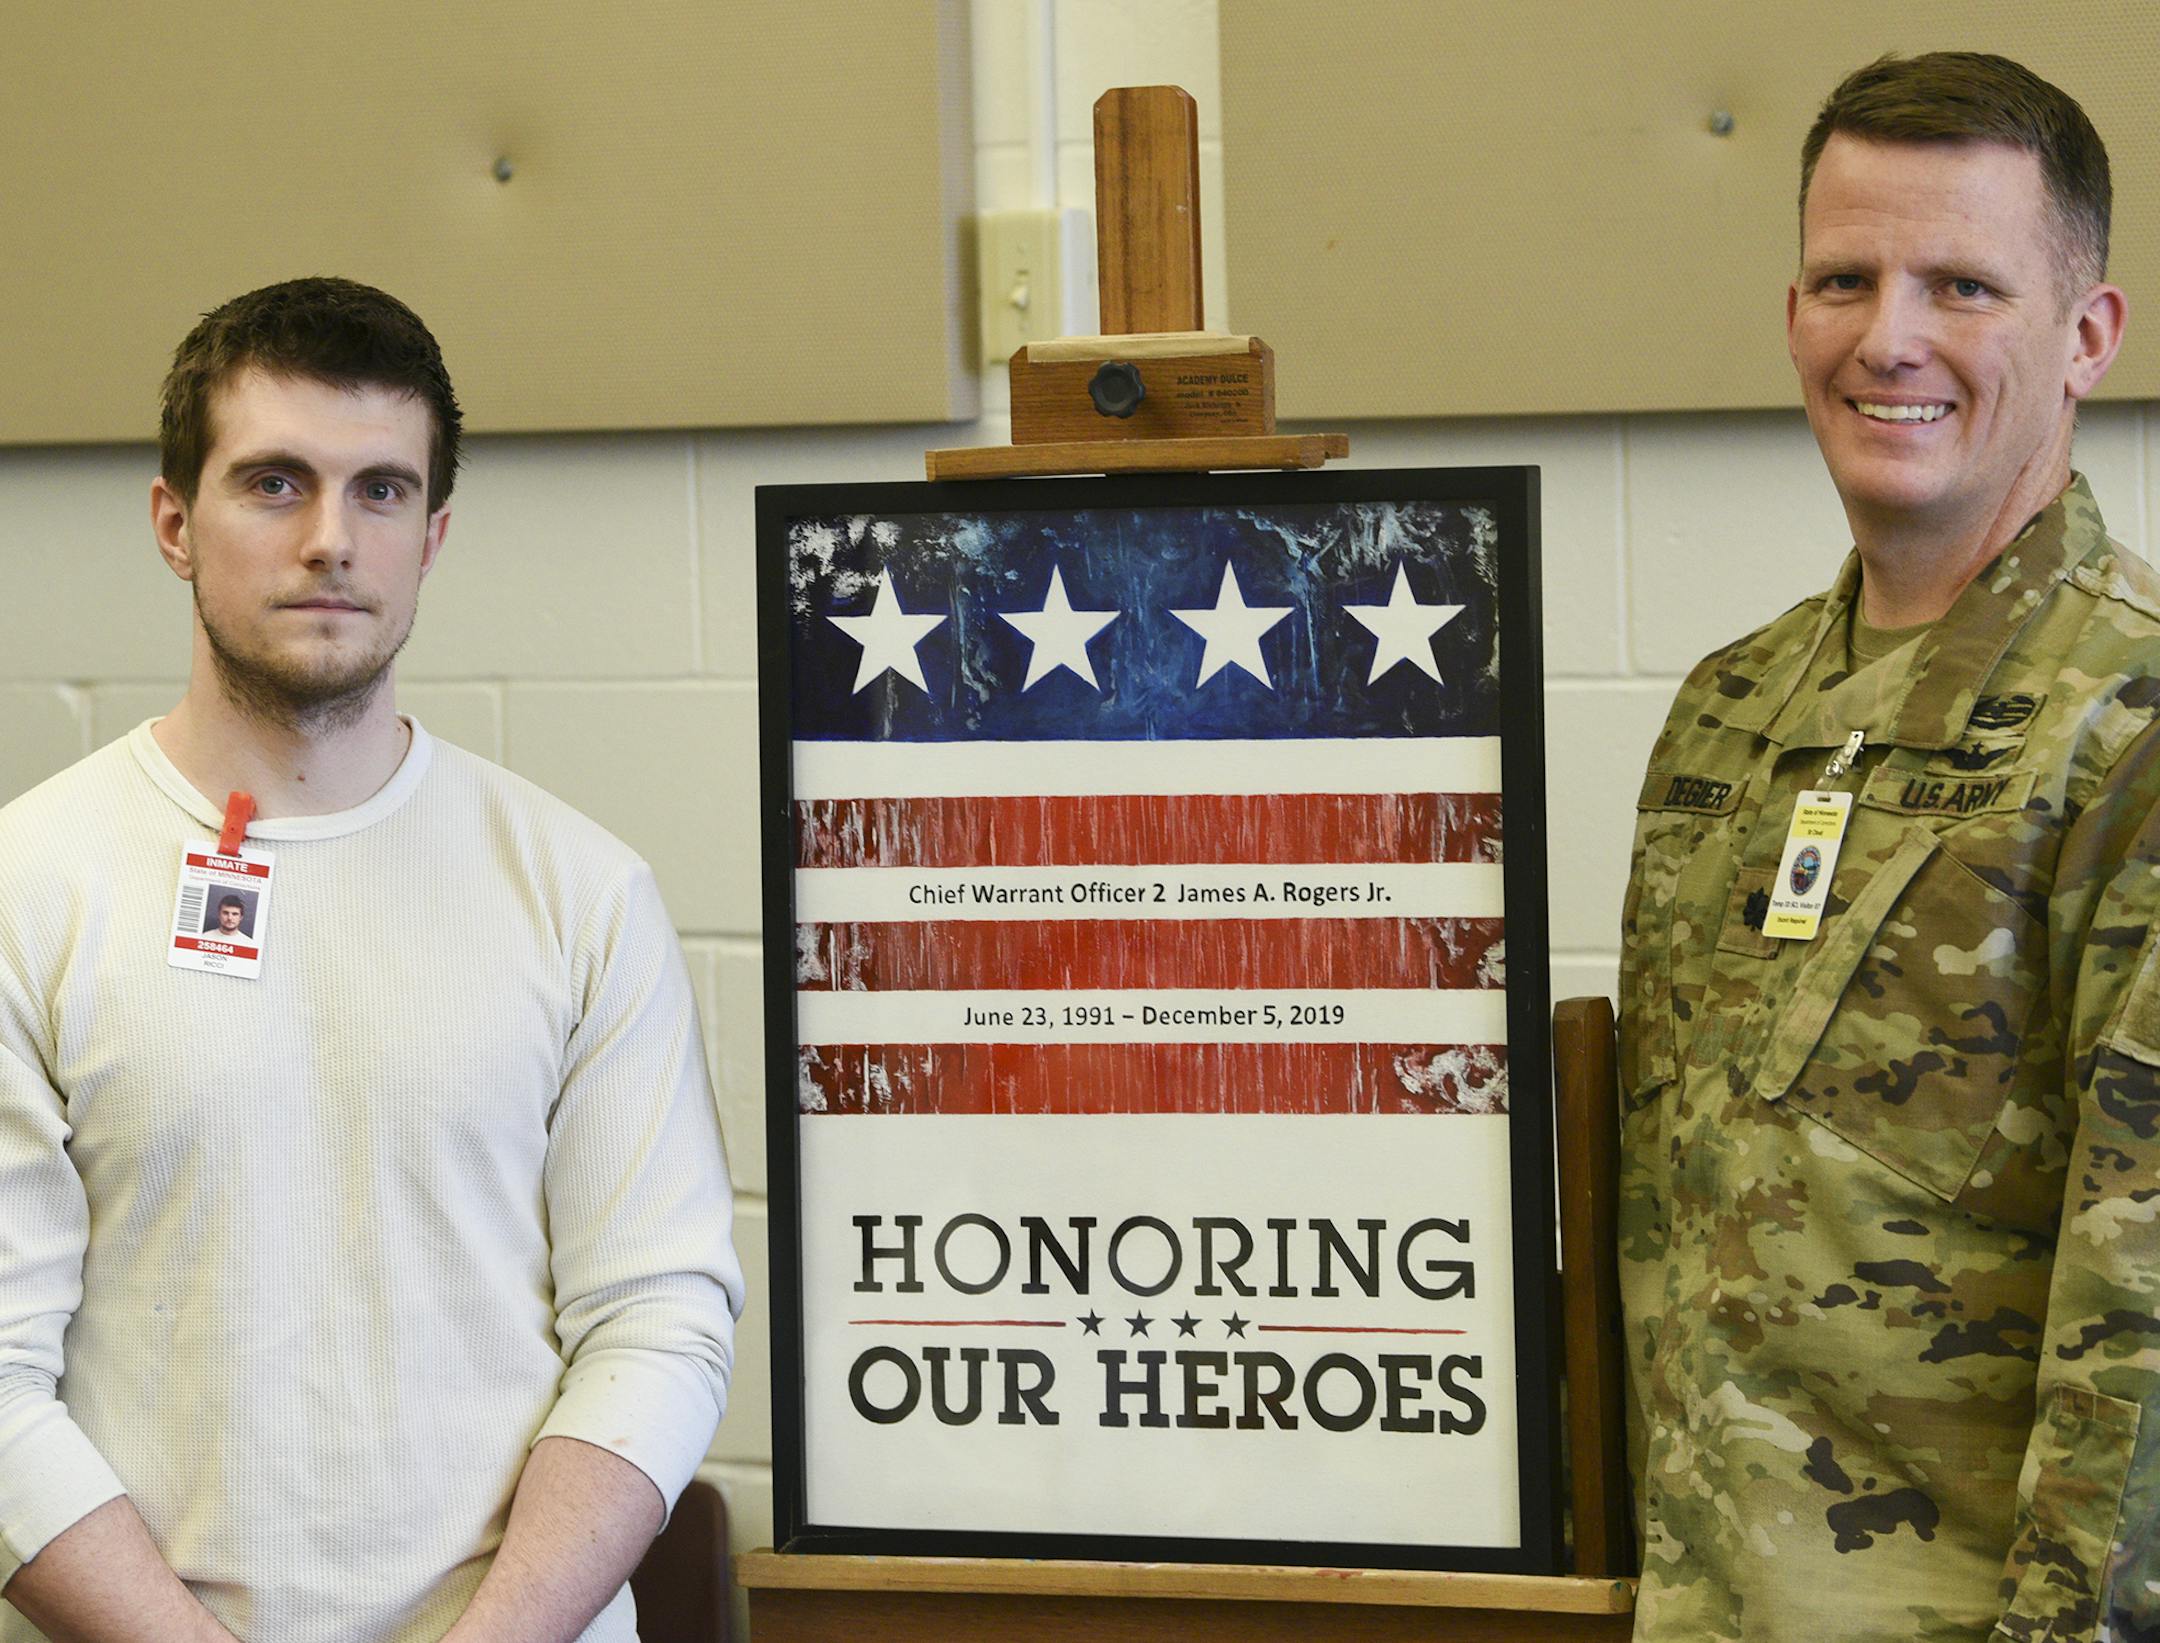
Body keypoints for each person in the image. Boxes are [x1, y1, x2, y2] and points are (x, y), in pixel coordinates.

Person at [0, 278, 744, 1642]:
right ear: (175, 521)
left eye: (382, 491)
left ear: (433, 533)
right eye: (275, 484)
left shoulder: (579, 893)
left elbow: (660, 1321)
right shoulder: (26, 891)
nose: (332, 540)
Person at [1619, 52, 2160, 1641]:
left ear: (2086, 338)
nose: (1890, 338)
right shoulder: (1730, 711)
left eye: (1964, 284)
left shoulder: (2126, 732)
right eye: (1845, 279)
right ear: (1794, 313)